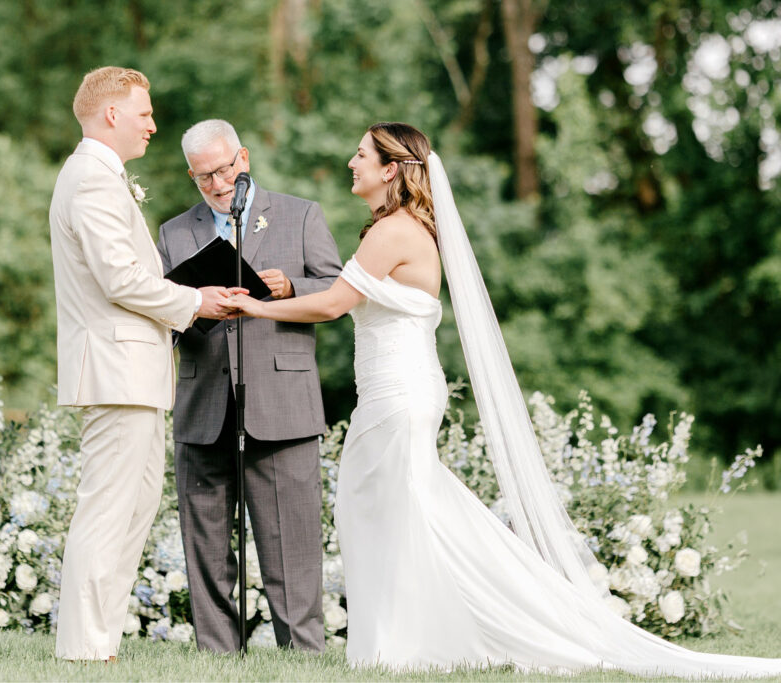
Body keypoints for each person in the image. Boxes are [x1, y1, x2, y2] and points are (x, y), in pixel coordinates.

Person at [226, 122, 781, 676]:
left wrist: (253, 308)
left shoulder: (392, 231)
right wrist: (289, 289)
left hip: (397, 394)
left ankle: (402, 645)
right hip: (399, 390)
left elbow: (333, 306)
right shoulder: (405, 227)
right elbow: (344, 295)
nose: (352, 161)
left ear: (391, 168)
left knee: (386, 508)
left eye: (362, 153)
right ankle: (400, 643)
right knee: (400, 510)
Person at [48, 67, 238, 662]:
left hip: (131, 370)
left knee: (132, 508)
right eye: (144, 112)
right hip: (115, 368)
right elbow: (119, 279)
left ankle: (99, 641)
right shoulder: (91, 180)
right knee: (109, 508)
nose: (154, 124)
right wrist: (194, 300)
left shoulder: (103, 177)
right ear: (111, 115)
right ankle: (83, 647)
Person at [156, 119, 342, 653]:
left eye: (221, 170)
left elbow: (338, 290)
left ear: (243, 158)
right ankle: (218, 657)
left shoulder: (300, 214)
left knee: (292, 546)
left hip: (282, 403)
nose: (215, 184)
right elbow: (158, 312)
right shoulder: (173, 232)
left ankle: (303, 656)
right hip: (203, 403)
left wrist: (290, 287)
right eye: (201, 177)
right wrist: (192, 308)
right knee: (207, 546)